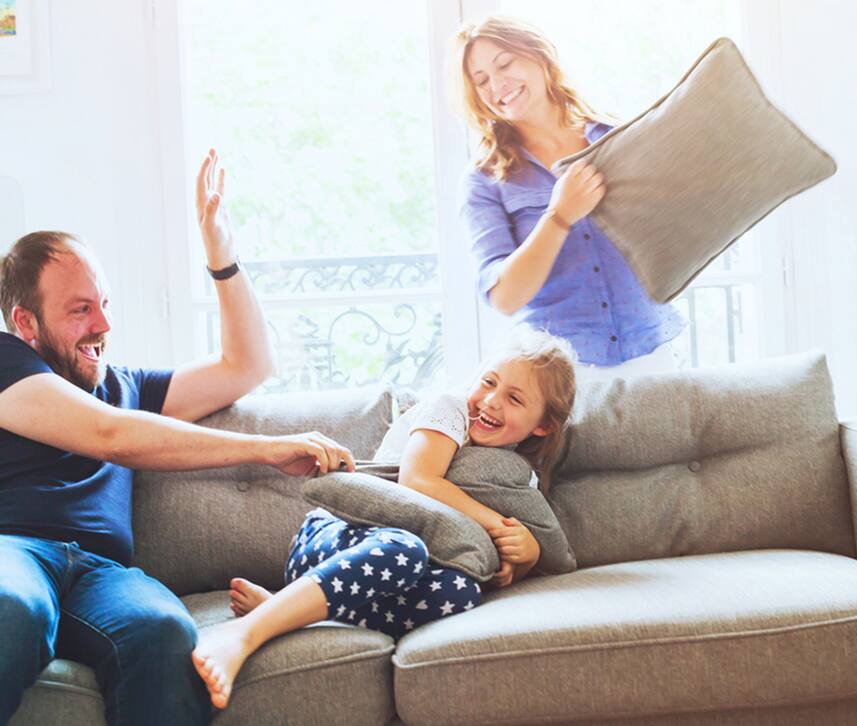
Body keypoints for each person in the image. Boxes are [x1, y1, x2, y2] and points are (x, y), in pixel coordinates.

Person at [0, 150, 355, 726]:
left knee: (163, 629)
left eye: (105, 304)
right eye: (81, 309)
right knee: (8, 606)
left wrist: (222, 257)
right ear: (25, 323)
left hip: (100, 575)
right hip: (13, 553)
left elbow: (247, 366)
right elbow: (108, 435)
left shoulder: (127, 386)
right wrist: (267, 448)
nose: (103, 326)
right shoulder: (7, 363)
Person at [190, 326, 577, 710]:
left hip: (389, 577)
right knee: (406, 548)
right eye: (488, 382)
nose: (491, 401)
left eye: (514, 398)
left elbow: (485, 566)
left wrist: (524, 557)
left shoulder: (516, 475)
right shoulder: (451, 410)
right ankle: (245, 634)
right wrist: (495, 524)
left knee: (461, 590)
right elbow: (418, 481)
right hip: (334, 539)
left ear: (542, 425)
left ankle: (289, 611)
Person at [452, 16, 687, 376]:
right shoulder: (483, 181)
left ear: (539, 56)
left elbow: (672, 234)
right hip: (560, 372)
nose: (497, 85)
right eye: (481, 80)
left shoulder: (616, 137)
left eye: (505, 63)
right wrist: (559, 216)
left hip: (654, 351)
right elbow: (505, 297)